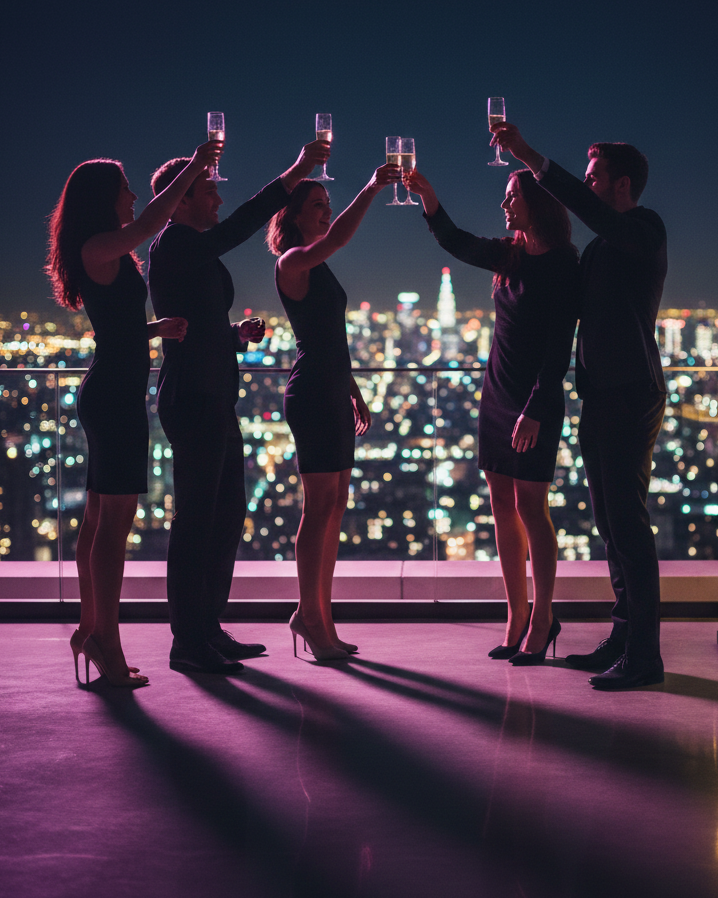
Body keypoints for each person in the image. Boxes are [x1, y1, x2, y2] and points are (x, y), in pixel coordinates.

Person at [492, 123, 668, 690]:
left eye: (592, 177)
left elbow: (601, 223)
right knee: (611, 525)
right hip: (602, 394)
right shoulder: (597, 246)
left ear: (621, 185)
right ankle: (623, 637)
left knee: (628, 524)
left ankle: (644, 655)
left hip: (630, 393)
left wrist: (530, 158)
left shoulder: (642, 229)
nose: (585, 185)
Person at [149, 139, 329, 675]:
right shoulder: (175, 242)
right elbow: (241, 225)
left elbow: (196, 321)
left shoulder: (190, 248)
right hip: (194, 398)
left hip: (214, 396)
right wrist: (294, 173)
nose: (217, 200)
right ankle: (188, 640)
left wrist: (232, 334)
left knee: (225, 516)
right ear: (179, 200)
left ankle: (207, 627)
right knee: (197, 521)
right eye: (208, 190)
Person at [45, 142, 221, 687]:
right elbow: (150, 220)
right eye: (123, 188)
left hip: (114, 392)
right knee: (113, 525)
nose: (133, 195)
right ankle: (105, 642)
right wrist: (194, 166)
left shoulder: (107, 252)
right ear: (103, 199)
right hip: (115, 399)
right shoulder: (101, 245)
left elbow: (113, 325)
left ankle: (90, 628)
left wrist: (153, 329)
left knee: (99, 518)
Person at [404, 167, 579, 664]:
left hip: (534, 402)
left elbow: (558, 348)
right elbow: (456, 242)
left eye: (512, 197)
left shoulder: (564, 264)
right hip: (497, 395)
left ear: (537, 203)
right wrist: (430, 196)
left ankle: (544, 615)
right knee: (501, 502)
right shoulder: (509, 254)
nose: (504, 205)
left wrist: (537, 410)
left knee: (532, 507)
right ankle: (516, 614)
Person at [267, 164, 400, 661]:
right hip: (311, 397)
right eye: (318, 206)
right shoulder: (293, 262)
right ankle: (309, 614)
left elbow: (331, 338)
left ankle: (320, 615)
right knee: (318, 506)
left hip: (332, 390)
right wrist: (369, 188)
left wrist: (353, 388)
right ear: (295, 216)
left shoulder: (315, 265)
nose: (326, 213)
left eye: (328, 205)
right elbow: (338, 240)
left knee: (336, 504)